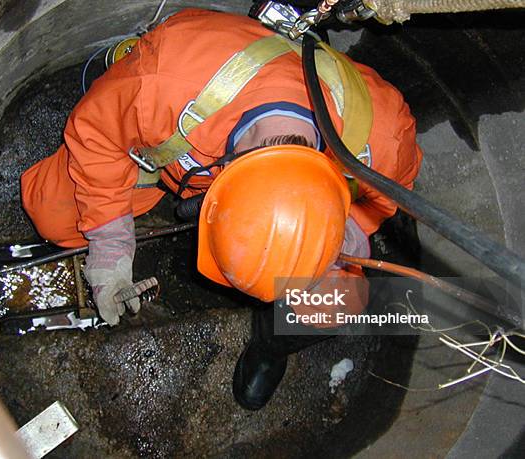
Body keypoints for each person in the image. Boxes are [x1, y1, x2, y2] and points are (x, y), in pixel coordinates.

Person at [21, 8, 423, 410]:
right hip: (169, 156)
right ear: (224, 176)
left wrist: (338, 234)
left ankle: (270, 348)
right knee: (52, 212)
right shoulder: (165, 78)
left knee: (340, 297)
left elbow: (385, 200)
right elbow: (97, 136)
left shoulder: (385, 139)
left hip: (275, 192)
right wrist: (110, 243)